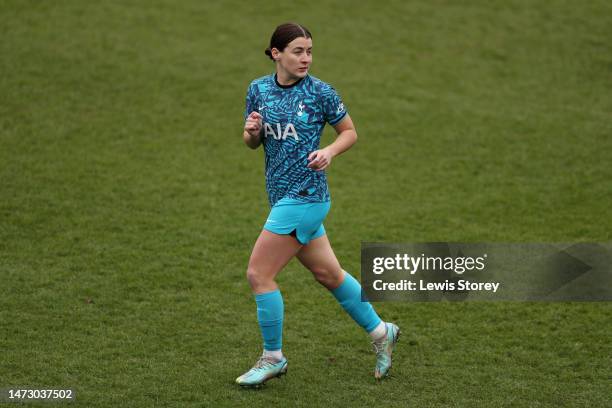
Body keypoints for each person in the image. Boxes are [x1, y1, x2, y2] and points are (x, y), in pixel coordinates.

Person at [236, 22, 400, 388]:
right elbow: (252, 143)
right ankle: (380, 331)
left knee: (259, 274)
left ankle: (272, 357)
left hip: (306, 197)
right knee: (330, 275)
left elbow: (350, 132)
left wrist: (329, 151)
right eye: (298, 51)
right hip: (281, 196)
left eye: (309, 51)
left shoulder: (320, 93)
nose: (306, 58)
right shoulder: (258, 90)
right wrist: (251, 132)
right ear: (276, 53)